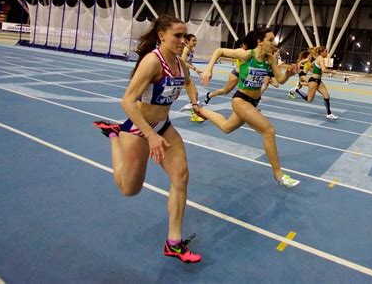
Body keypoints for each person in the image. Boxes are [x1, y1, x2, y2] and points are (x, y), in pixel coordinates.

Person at [93, 15, 202, 264]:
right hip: (139, 129)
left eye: (185, 36)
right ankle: (113, 135)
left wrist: (194, 103)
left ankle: (173, 242)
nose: (183, 41)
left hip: (164, 126)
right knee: (129, 190)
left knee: (181, 177)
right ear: (162, 36)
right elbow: (127, 101)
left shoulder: (180, 64)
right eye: (177, 35)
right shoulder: (152, 62)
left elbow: (189, 83)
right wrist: (150, 135)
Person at [197, 28, 300, 187]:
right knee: (269, 131)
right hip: (241, 100)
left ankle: (200, 110)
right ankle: (279, 175)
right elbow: (218, 50)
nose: (274, 43)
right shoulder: (246, 55)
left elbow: (280, 80)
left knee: (226, 127)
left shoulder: (270, 59)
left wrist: (289, 74)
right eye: (270, 40)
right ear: (260, 41)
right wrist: (208, 69)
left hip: (254, 102)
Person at [203, 31, 255, 104]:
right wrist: (209, 69)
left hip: (246, 77)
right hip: (236, 75)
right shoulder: (242, 52)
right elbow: (219, 51)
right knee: (225, 91)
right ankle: (210, 95)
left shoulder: (257, 54)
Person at [290, 46, 339, 120]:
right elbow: (324, 70)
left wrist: (314, 71)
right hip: (314, 81)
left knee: (327, 96)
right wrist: (332, 71)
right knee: (309, 100)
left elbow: (310, 66)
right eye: (326, 51)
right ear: (321, 52)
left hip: (319, 81)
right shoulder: (321, 59)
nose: (327, 53)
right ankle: (296, 90)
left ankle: (329, 114)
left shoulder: (318, 58)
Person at [181, 33, 205, 123]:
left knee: (195, 95)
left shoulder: (191, 50)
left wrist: (196, 70)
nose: (195, 42)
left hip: (186, 74)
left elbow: (188, 62)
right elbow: (182, 62)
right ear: (187, 41)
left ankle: (194, 114)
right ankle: (194, 114)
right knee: (194, 94)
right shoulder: (186, 50)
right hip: (182, 74)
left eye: (196, 40)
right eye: (193, 40)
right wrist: (194, 68)